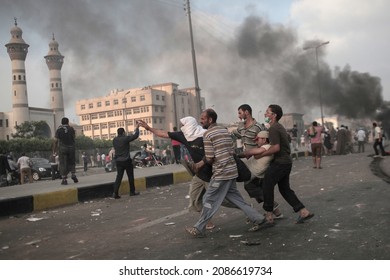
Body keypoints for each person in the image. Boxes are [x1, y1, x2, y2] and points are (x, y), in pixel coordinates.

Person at [186, 109, 266, 237]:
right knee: (236, 199)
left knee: (208, 198)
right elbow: (230, 150)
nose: (200, 121)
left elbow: (210, 158)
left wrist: (200, 164)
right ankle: (259, 219)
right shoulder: (224, 130)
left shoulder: (207, 135)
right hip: (232, 170)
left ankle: (199, 228)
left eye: (202, 119)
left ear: (210, 120)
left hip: (221, 173)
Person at [138, 116, 216, 230]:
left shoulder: (205, 134)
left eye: (183, 125)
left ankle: (248, 210)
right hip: (198, 174)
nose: (181, 127)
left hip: (211, 172)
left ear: (189, 125)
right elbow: (164, 134)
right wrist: (149, 128)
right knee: (194, 199)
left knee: (225, 199)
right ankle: (207, 222)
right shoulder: (183, 135)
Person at [244, 104, 314, 229]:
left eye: (267, 112)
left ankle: (269, 216)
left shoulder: (274, 128)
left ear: (274, 115)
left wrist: (261, 154)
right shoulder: (278, 127)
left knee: (267, 185)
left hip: (280, 162)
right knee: (285, 189)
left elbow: (276, 147)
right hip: (286, 162)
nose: (265, 114)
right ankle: (303, 212)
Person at [238, 130, 283, 219]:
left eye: (258, 139)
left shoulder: (266, 147)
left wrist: (237, 155)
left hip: (253, 173)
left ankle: (272, 206)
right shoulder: (266, 147)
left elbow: (250, 152)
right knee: (260, 193)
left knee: (256, 191)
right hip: (255, 173)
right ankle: (277, 212)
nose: (256, 141)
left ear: (264, 139)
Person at [112, 125, 140, 199]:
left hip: (118, 161)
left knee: (119, 177)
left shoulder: (114, 140)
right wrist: (137, 128)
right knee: (130, 176)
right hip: (126, 160)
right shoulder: (125, 138)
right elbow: (135, 136)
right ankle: (132, 192)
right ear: (123, 133)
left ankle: (115, 193)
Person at [52, 117, 78, 185]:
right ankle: (73, 175)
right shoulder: (71, 129)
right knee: (72, 161)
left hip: (63, 148)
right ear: (68, 122)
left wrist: (54, 150)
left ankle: (64, 179)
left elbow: (55, 141)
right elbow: (74, 138)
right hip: (71, 147)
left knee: (63, 163)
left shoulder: (59, 130)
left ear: (61, 122)